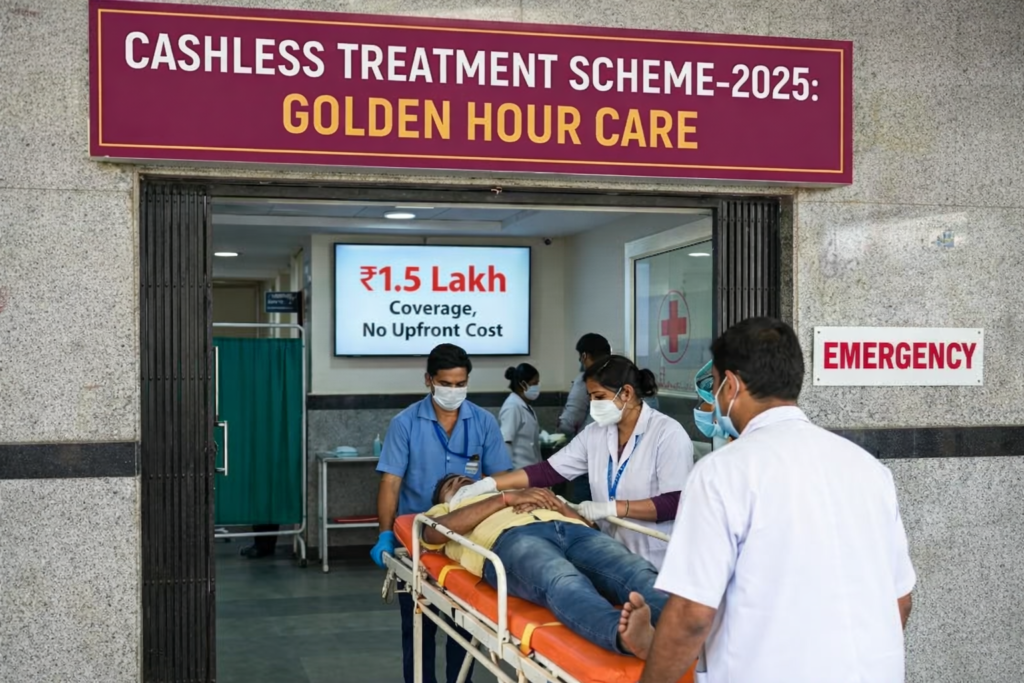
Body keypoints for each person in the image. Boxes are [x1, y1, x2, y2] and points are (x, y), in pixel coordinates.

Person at [626, 317, 916, 683]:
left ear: (731, 385)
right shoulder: (869, 470)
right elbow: (900, 600)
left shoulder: (722, 473)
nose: (714, 401)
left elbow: (691, 615)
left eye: (714, 387)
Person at [457, 355, 693, 569]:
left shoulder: (667, 434)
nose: (593, 404)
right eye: (590, 397)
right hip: (611, 553)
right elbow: (548, 471)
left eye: (599, 397)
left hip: (657, 557)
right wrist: (490, 484)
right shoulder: (596, 433)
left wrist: (612, 508)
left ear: (627, 393)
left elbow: (675, 502)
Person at [371, 343, 513, 683]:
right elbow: (390, 483)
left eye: (460, 384)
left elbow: (502, 480)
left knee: (464, 630)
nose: (453, 391)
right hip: (416, 541)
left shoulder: (483, 423)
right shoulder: (405, 424)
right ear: (429, 380)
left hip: (466, 540)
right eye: (446, 384)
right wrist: (385, 534)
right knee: (417, 627)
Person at [424, 474, 668, 656]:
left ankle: (674, 622)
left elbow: (591, 527)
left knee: (632, 568)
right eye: (451, 484)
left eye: (465, 478)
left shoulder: (520, 491)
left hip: (573, 530)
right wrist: (505, 500)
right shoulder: (447, 509)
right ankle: (624, 636)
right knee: (564, 580)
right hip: (512, 538)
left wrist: (561, 507)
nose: (461, 480)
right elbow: (431, 534)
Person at [498, 363, 542, 469]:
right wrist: (508, 473)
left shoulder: (525, 405)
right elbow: (506, 441)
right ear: (522, 385)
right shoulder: (512, 407)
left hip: (531, 469)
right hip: (518, 470)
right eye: (534, 383)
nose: (537, 387)